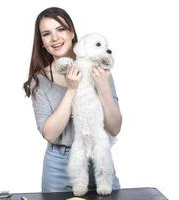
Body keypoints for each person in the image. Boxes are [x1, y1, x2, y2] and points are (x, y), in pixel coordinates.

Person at [23, 7, 122, 192]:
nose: (55, 38)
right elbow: (50, 134)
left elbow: (114, 128)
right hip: (58, 166)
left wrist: (103, 88)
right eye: (46, 34)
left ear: (72, 32)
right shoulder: (39, 81)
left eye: (60, 29)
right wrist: (71, 89)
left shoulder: (99, 70)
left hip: (99, 153)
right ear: (42, 42)